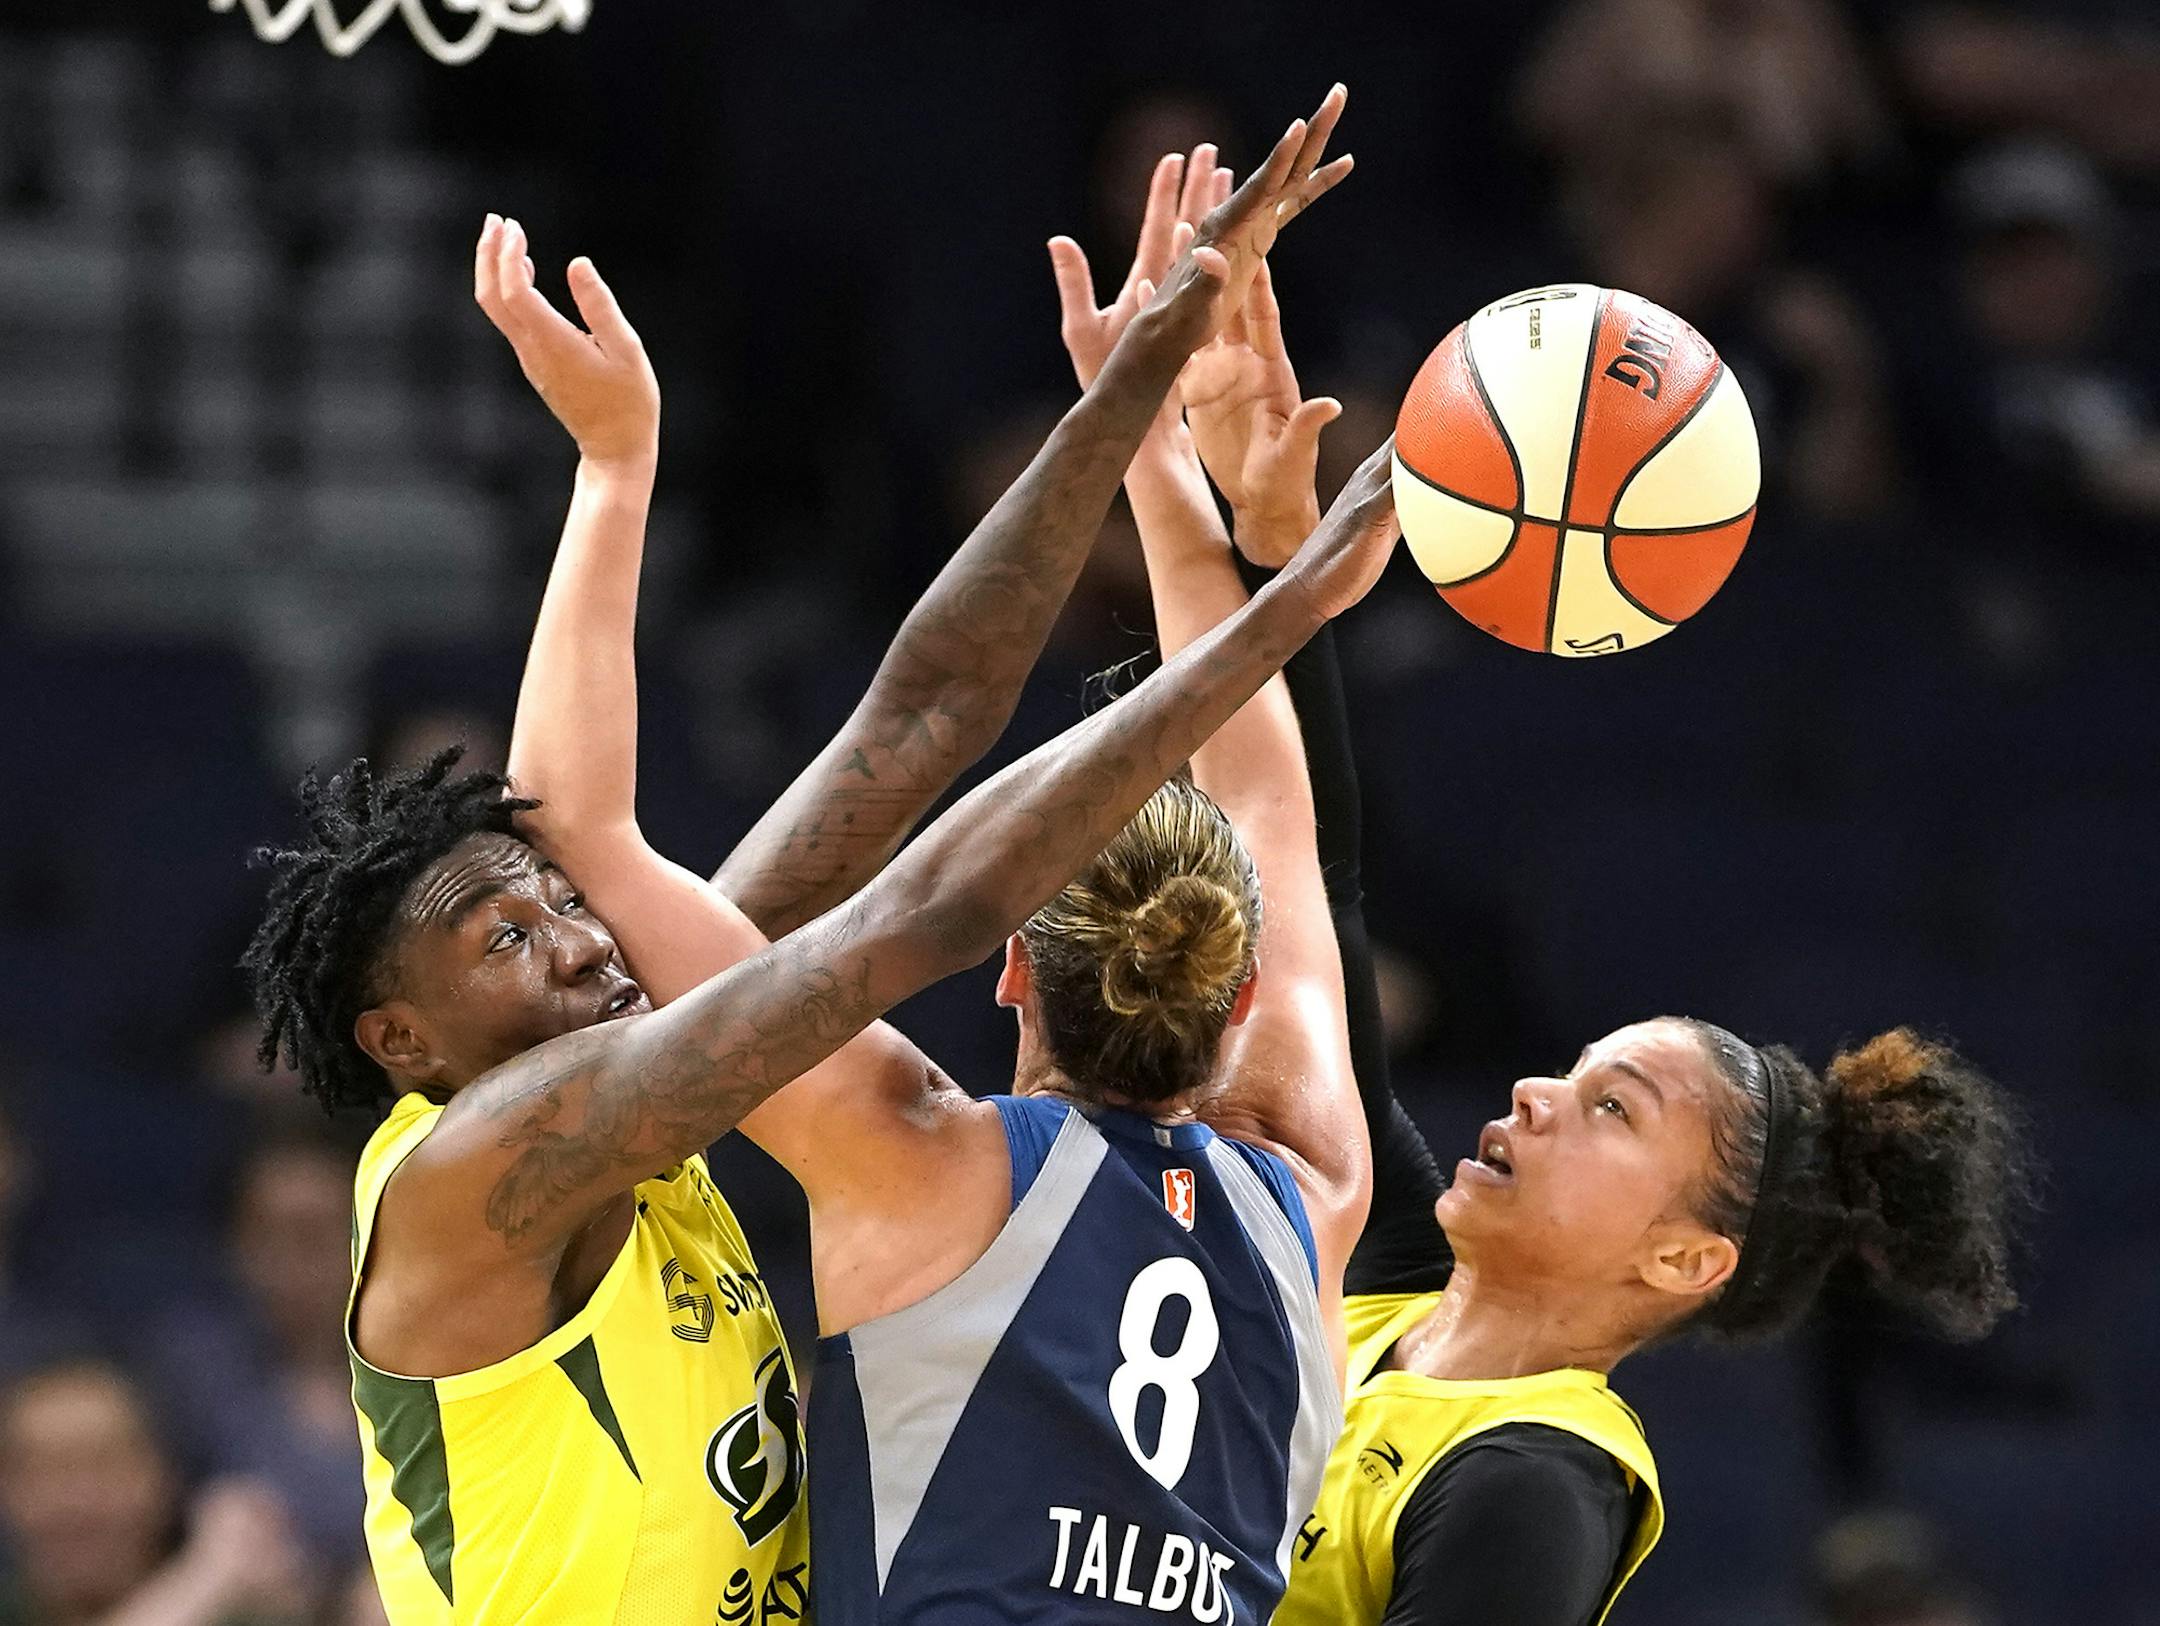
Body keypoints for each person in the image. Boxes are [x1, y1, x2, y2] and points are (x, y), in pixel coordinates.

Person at [243, 91, 1395, 1626]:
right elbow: (914, 899)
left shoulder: (799, 1104)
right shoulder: (480, 1170)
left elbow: (913, 733)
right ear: (403, 1040)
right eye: (509, 939)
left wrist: (1133, 407)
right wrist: (1254, 595)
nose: (584, 939)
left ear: (1024, 984)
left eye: (566, 913)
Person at [1224, 284, 2038, 1625]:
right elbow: (1309, 876)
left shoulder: (1533, 1483)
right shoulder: (1378, 1284)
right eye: (1577, 1073)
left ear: (1680, 1259)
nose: (1536, 1092)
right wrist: (1271, 548)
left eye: (1612, 1106)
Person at [0, 1359, 313, 1626]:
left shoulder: (248, 1615)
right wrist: (204, 1579)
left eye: (104, 1466)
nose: (76, 1503)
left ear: (162, 1479)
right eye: (45, 1471)